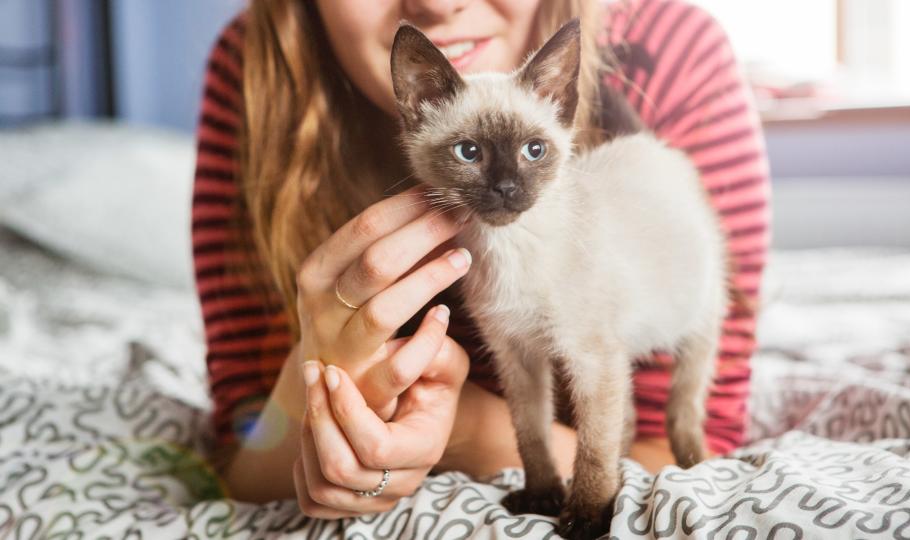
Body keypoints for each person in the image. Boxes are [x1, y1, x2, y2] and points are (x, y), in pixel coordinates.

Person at [192, 0, 770, 518]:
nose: (440, 5)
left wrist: (465, 428)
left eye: (532, 151)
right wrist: (312, 385)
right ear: (418, 106)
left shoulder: (670, 45)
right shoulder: (256, 66)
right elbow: (240, 466)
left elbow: (691, 454)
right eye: (470, 153)